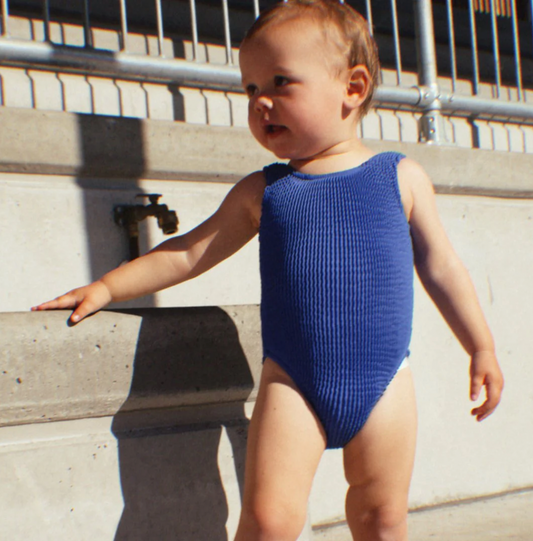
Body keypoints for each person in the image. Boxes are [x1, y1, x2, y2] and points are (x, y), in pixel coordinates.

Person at [33, 1, 504, 539]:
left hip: (386, 382)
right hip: (293, 384)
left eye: (280, 82)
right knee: (268, 521)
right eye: (251, 89)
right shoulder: (265, 191)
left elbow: (441, 266)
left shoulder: (400, 178)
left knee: (383, 517)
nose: (262, 103)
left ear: (352, 87)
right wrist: (107, 286)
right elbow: (188, 253)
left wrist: (481, 346)